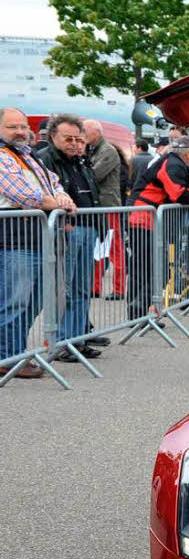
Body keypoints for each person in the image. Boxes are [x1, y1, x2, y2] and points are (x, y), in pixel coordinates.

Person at [0, 106, 76, 378]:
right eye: (13, 127)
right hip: (14, 240)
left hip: (38, 238)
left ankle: (16, 354)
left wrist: (61, 198)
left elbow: (53, 183)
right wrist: (58, 203)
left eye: (23, 126)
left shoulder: (28, 156)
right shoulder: (3, 157)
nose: (21, 132)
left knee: (33, 302)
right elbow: (24, 195)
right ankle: (7, 358)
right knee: (15, 301)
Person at [37, 114, 104, 361]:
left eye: (79, 139)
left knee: (81, 288)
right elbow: (44, 194)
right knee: (64, 289)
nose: (75, 144)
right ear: (53, 137)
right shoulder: (44, 160)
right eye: (69, 139)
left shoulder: (82, 161)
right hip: (65, 231)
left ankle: (77, 339)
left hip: (87, 229)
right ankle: (62, 342)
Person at [127, 137, 189, 322]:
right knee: (150, 267)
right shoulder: (172, 164)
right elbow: (177, 192)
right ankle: (139, 309)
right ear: (188, 153)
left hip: (148, 218)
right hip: (144, 219)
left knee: (146, 266)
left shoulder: (173, 163)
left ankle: (140, 312)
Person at [84, 119, 126, 303]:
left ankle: (119, 288)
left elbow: (94, 175)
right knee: (97, 249)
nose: (82, 138)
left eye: (85, 133)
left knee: (115, 248)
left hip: (108, 206)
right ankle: (94, 286)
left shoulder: (107, 151)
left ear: (96, 133)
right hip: (99, 206)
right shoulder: (94, 150)